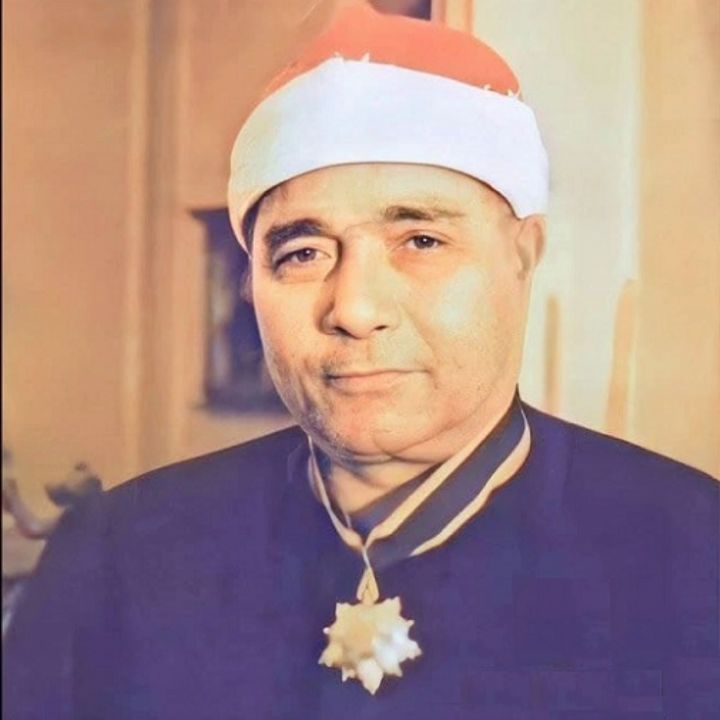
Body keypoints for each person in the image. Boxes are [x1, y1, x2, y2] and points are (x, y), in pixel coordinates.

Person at [4, 4, 718, 719]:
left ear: (523, 255)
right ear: (251, 284)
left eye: (421, 242)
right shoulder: (117, 559)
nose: (353, 307)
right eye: (303, 253)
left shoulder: (692, 553)